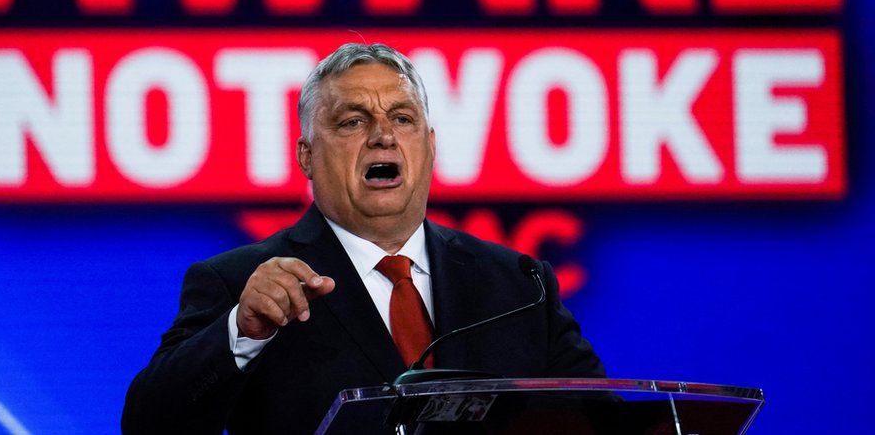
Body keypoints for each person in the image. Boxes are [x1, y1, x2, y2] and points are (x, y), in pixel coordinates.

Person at [122, 43, 605, 434]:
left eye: (402, 118)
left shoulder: (519, 283)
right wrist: (242, 333)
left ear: (430, 146)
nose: (382, 136)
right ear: (306, 156)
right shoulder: (243, 286)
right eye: (352, 121)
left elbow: (599, 418)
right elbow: (149, 424)